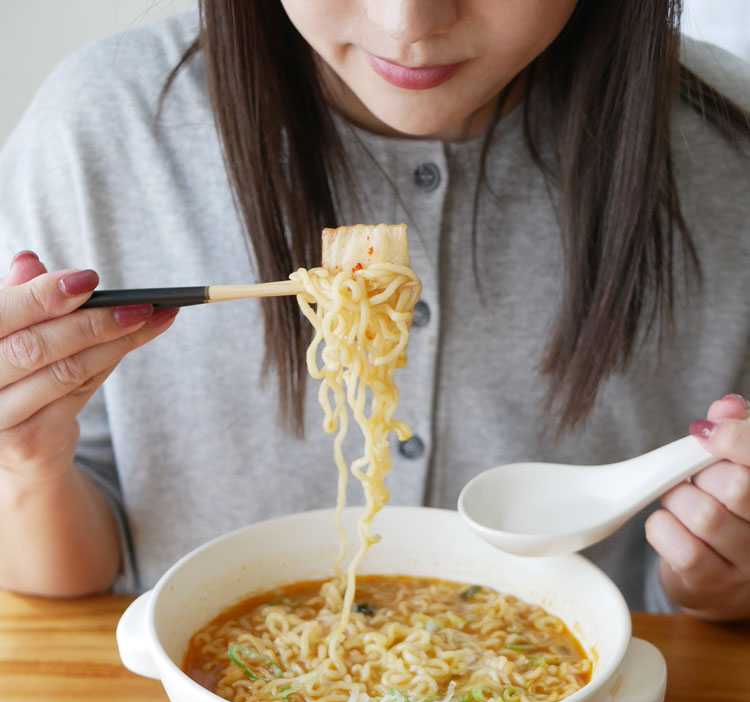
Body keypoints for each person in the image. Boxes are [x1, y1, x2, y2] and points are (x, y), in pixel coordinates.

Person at [0, 1, 748, 620]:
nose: (408, 23)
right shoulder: (103, 128)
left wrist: (723, 583)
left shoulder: (728, 154)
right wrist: (27, 463)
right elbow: (70, 578)